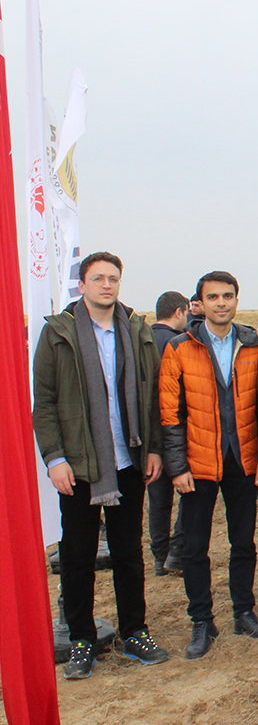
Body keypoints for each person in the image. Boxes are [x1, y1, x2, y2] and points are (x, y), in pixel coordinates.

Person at [33, 251, 170, 679]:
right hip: (79, 464)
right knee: (77, 556)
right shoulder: (58, 333)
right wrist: (54, 458)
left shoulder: (135, 330)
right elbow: (45, 402)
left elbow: (150, 394)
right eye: (98, 278)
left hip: (127, 459)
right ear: (83, 285)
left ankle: (135, 631)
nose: (106, 285)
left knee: (129, 552)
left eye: (113, 278)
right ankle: (81, 640)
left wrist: (153, 448)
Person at [159, 271, 258, 659]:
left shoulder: (253, 344)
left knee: (243, 542)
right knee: (195, 547)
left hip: (242, 458)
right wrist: (178, 467)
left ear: (237, 300)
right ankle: (202, 621)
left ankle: (244, 612)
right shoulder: (180, 347)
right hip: (198, 462)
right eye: (213, 297)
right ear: (200, 303)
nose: (221, 303)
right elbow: (170, 413)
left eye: (228, 296)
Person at [149, 290, 189, 576]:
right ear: (179, 312)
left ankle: (159, 555)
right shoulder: (179, 343)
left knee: (158, 499)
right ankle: (177, 550)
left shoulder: (142, 340)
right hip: (176, 428)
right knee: (189, 491)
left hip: (150, 433)